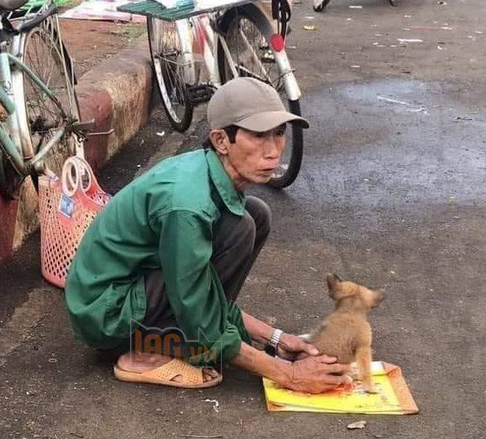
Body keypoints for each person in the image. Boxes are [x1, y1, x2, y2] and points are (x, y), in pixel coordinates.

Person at [65, 78, 352, 393]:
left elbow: (205, 292)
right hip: (106, 314)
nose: (273, 151)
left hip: (136, 286)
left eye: (279, 134)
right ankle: (147, 351)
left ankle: (186, 341)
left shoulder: (208, 175)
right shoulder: (189, 206)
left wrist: (275, 339)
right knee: (240, 227)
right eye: (257, 135)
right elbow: (198, 304)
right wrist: (288, 375)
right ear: (221, 141)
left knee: (253, 216)